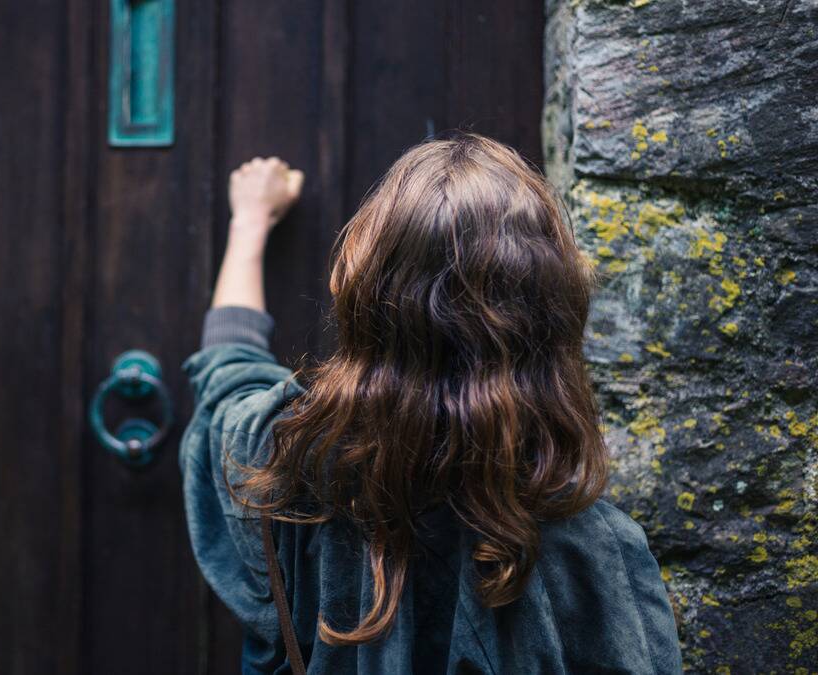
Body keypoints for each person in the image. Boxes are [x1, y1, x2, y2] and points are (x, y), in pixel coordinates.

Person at [179, 134, 683, 674]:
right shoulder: (596, 555)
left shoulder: (282, 461)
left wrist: (250, 222)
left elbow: (228, 372)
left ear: (364, 298)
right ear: (554, 315)